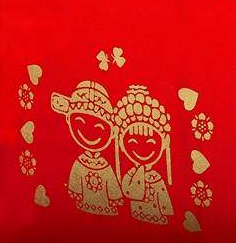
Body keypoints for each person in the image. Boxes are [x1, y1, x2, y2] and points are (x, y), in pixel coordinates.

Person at [50, 80, 123, 215]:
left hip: (105, 208)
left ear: (112, 133)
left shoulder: (105, 166)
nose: (90, 131)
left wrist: (114, 198)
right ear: (68, 119)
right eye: (80, 122)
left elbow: (112, 186)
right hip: (82, 206)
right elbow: (76, 184)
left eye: (99, 128)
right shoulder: (80, 163)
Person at [113, 85, 173, 225]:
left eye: (151, 143)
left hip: (157, 217)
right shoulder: (131, 175)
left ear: (164, 142)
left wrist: (166, 211)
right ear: (121, 143)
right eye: (132, 142)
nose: (142, 148)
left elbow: (163, 198)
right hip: (134, 214)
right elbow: (127, 191)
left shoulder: (156, 178)